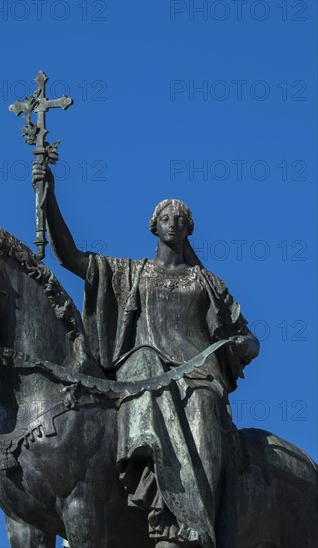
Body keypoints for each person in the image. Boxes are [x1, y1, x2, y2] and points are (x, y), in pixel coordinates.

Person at [33, 162, 260, 548]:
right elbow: (70, 257)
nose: (174, 222)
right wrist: (47, 196)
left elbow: (248, 339)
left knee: (204, 406)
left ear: (189, 229)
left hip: (197, 377)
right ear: (153, 226)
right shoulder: (130, 275)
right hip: (144, 371)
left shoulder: (207, 283)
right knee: (142, 366)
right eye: (166, 217)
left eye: (181, 218)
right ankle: (151, 488)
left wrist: (241, 345)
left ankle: (194, 525)